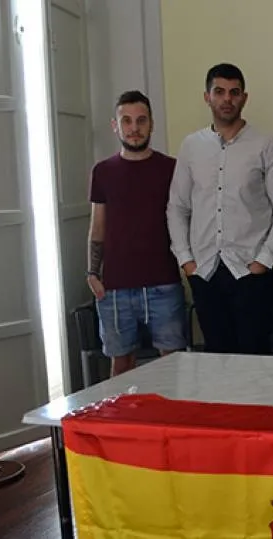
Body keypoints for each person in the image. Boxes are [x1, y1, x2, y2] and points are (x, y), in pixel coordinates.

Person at [167, 63, 273, 355]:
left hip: (251, 273)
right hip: (205, 272)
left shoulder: (266, 146)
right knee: (216, 362)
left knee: (256, 361)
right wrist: (187, 261)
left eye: (234, 92)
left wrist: (263, 260)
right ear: (207, 97)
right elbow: (177, 207)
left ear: (244, 98)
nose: (227, 99)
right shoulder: (191, 146)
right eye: (219, 92)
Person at [87, 90, 186, 376]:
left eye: (141, 120)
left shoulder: (171, 168)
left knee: (173, 365)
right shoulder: (103, 171)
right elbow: (98, 226)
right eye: (126, 121)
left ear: (151, 124)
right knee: (121, 365)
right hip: (115, 287)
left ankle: (172, 421)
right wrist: (92, 273)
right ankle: (121, 422)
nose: (134, 128)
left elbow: (186, 219)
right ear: (115, 125)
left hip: (164, 283)